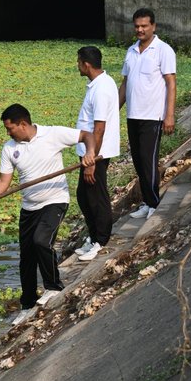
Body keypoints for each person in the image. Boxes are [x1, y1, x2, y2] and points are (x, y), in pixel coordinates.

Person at [0, 104, 94, 326]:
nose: (8, 133)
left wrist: (90, 153)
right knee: (26, 258)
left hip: (54, 201)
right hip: (29, 207)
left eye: (10, 128)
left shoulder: (52, 134)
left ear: (23, 124)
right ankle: (27, 305)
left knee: (41, 241)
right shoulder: (9, 148)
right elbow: (3, 182)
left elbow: (87, 135)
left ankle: (54, 287)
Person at [119, 7, 177, 220]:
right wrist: (111, 111)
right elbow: (125, 84)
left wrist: (169, 115)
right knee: (138, 160)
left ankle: (154, 203)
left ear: (153, 26)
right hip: (133, 115)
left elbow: (171, 83)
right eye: (137, 26)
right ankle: (147, 201)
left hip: (153, 116)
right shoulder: (131, 51)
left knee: (148, 160)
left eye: (144, 26)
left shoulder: (163, 50)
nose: (140, 30)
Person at [72, 46, 120, 262]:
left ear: (86, 64)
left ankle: (101, 240)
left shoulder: (101, 89)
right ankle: (94, 237)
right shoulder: (99, 83)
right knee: (84, 195)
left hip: (96, 154)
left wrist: (91, 159)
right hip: (91, 153)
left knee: (96, 197)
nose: (78, 65)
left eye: (78, 62)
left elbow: (99, 128)